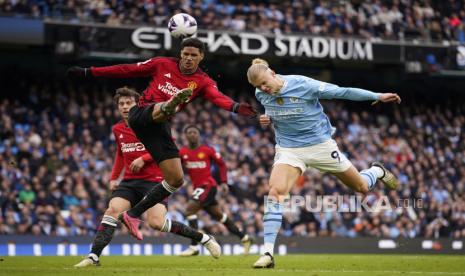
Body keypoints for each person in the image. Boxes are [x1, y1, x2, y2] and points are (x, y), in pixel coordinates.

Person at [67, 37, 257, 241]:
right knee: (163, 109)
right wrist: (90, 71)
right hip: (141, 114)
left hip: (160, 127)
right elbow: (126, 69)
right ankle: (169, 105)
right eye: (185, 54)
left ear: (201, 57)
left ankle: (132, 215)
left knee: (176, 179)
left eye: (194, 55)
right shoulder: (162, 64)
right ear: (180, 54)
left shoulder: (202, 81)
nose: (189, 59)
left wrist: (236, 107)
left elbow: (218, 97)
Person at [246, 59, 401, 268]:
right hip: (289, 150)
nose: (263, 89)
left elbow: (342, 92)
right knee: (275, 192)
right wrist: (267, 119)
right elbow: (276, 112)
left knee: (361, 187)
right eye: (258, 87)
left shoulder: (303, 85)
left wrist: (376, 96)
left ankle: (376, 171)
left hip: (321, 147)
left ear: (273, 73)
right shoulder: (261, 94)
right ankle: (267, 254)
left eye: (264, 83)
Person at [74, 87, 220, 267]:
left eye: (129, 103)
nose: (125, 107)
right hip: (129, 182)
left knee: (156, 223)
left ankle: (203, 238)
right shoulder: (117, 128)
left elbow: (170, 145)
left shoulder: (149, 123)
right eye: (121, 104)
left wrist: (144, 158)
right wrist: (114, 177)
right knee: (112, 211)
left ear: (137, 105)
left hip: (154, 182)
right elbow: (120, 153)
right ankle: (93, 257)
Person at [178, 125, 253, 256]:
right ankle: (245, 238)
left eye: (195, 132)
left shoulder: (207, 150)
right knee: (219, 216)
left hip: (208, 185)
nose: (192, 135)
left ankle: (194, 246)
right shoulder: (182, 152)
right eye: (189, 132)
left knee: (189, 210)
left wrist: (223, 182)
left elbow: (222, 164)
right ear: (185, 136)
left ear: (198, 135)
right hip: (199, 188)